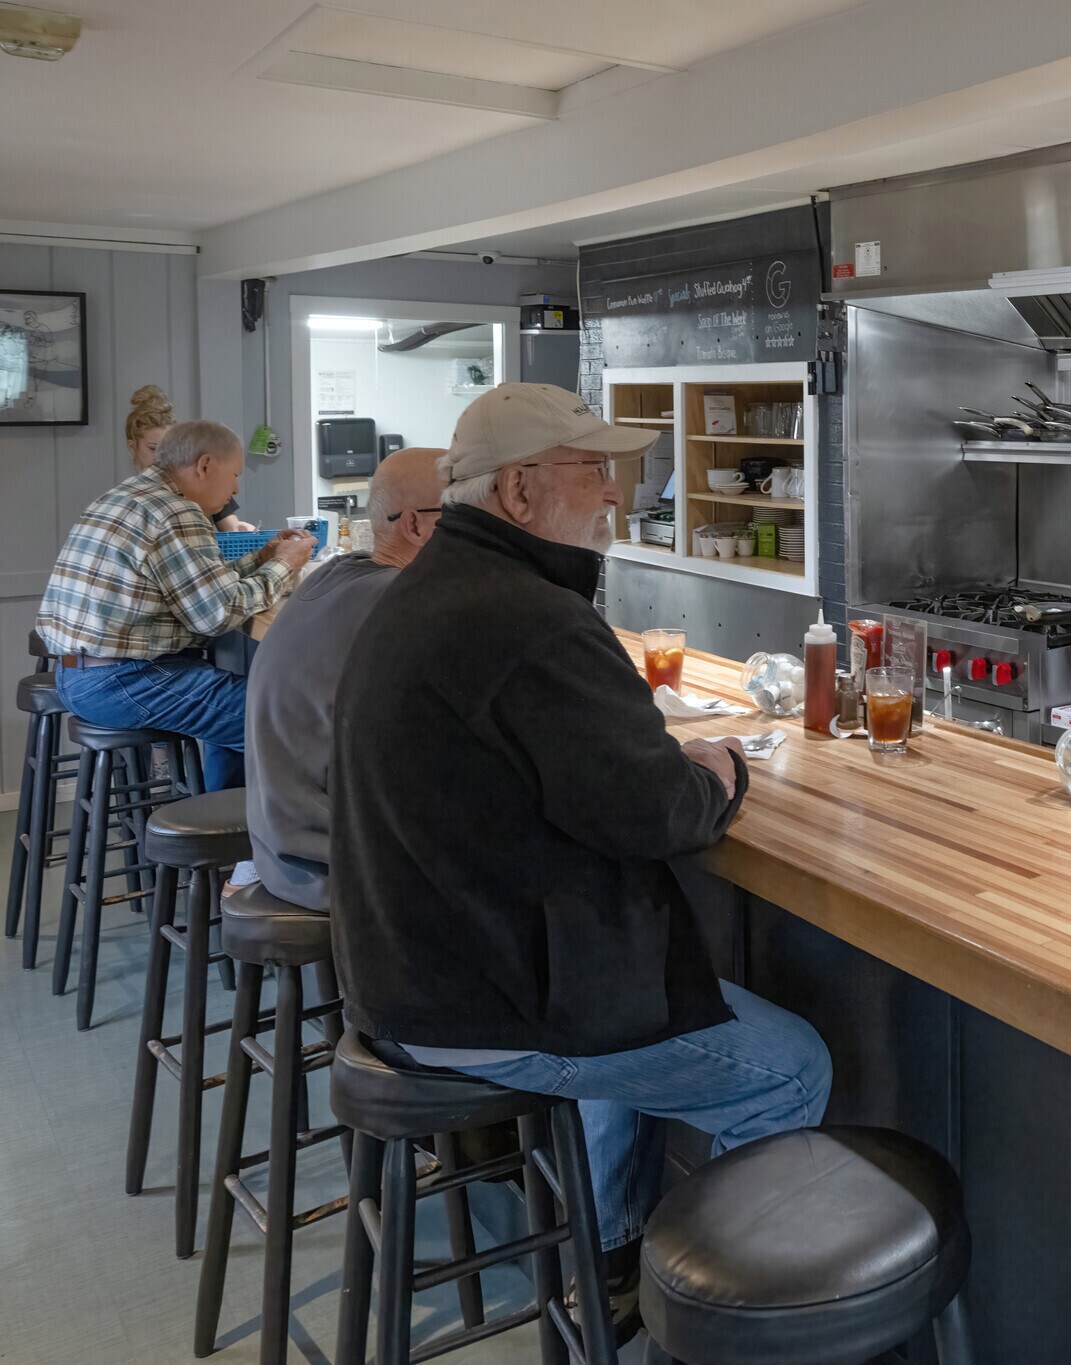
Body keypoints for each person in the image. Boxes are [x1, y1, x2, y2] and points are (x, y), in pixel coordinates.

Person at [330, 383, 830, 1313]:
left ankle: (605, 1251)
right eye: (593, 469)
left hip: (402, 975)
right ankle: (723, 1318)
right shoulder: (533, 619)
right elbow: (658, 812)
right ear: (519, 492)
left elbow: (583, 775)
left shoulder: (430, 587)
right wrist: (720, 772)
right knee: (789, 1069)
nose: (615, 491)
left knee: (635, 1003)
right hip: (482, 1000)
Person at [39, 419, 316, 792]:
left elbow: (195, 584)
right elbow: (216, 614)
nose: (235, 488)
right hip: (123, 679)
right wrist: (287, 564)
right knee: (285, 721)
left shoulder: (129, 495)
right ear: (204, 466)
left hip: (78, 673)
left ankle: (228, 834)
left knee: (234, 706)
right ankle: (249, 841)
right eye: (234, 475)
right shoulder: (177, 511)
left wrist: (266, 555)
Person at [244, 447, 445, 908]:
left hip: (282, 848)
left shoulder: (334, 575)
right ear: (416, 525)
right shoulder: (404, 602)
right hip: (333, 868)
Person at [125, 385, 257, 531]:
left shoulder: (201, 485)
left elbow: (231, 526)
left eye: (168, 449)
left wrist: (241, 530)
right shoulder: (129, 500)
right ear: (132, 447)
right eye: (154, 449)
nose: (161, 458)